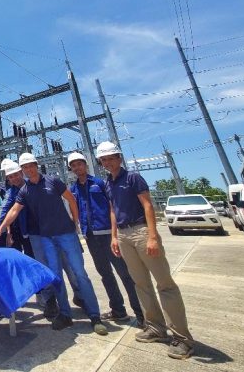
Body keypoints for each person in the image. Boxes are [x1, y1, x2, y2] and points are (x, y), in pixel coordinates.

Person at [0, 153, 108, 335]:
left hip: (66, 234)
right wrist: (1, 227)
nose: (28, 169)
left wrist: (75, 223)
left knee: (79, 273)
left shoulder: (53, 181)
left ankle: (94, 316)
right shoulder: (24, 190)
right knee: (55, 276)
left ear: (36, 165)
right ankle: (65, 314)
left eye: (31, 165)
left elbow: (71, 199)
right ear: (22, 170)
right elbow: (13, 209)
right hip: (46, 238)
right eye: (25, 167)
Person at [97, 141, 195, 359]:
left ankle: (182, 338)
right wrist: (114, 236)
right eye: (103, 159)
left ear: (119, 158)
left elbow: (148, 205)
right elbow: (113, 210)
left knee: (165, 284)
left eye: (111, 157)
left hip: (141, 231)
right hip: (123, 234)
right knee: (141, 283)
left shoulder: (133, 178)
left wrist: (152, 236)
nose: (107, 162)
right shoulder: (108, 183)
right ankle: (156, 328)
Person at [67, 152, 144, 327]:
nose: (77, 167)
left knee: (125, 274)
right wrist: (77, 227)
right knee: (105, 275)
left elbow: (112, 207)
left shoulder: (100, 183)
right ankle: (118, 310)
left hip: (108, 234)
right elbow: (74, 211)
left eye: (80, 163)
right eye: (74, 165)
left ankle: (141, 314)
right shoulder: (73, 189)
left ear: (86, 165)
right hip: (91, 236)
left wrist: (115, 235)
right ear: (71, 169)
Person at [0, 160, 33, 257]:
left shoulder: (32, 185)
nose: (14, 178)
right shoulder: (10, 192)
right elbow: (3, 208)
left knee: (35, 256)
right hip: (17, 226)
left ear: (21, 173)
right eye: (10, 177)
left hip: (34, 228)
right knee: (18, 254)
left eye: (15, 175)